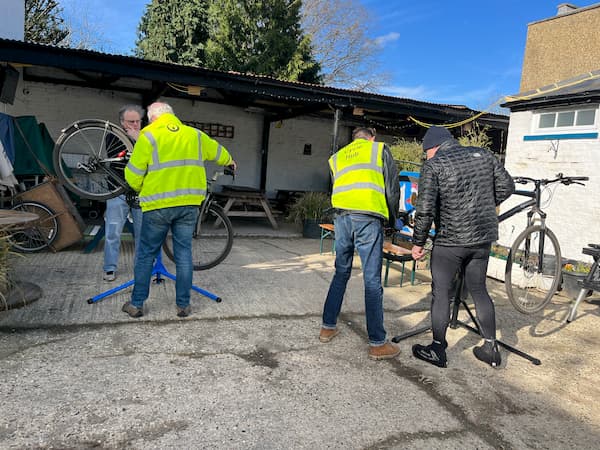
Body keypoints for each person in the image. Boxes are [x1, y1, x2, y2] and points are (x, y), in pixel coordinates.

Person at [410, 126, 515, 368]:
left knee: (441, 292)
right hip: (482, 238)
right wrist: (484, 204)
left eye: (426, 152)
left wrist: (418, 243)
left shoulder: (434, 165)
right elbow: (507, 187)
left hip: (450, 239)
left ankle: (438, 349)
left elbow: (425, 209)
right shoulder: (484, 155)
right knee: (479, 289)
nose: (426, 156)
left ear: (432, 147)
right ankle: (490, 347)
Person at [122, 102, 236, 318]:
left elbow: (134, 174)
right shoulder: (195, 135)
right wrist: (230, 161)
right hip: (188, 206)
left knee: (146, 255)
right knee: (183, 255)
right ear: (172, 116)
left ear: (152, 118)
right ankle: (183, 305)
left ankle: (137, 304)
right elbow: (219, 152)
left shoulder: (148, 135)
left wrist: (139, 188)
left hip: (158, 206)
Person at [320, 127, 401, 360]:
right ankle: (377, 343)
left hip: (342, 218)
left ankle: (327, 327)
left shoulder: (338, 157)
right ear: (372, 138)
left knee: (341, 272)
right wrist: (393, 221)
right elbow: (391, 188)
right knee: (372, 280)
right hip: (367, 217)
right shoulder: (379, 150)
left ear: (354, 140)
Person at [102, 105, 145, 282]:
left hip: (140, 191)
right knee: (113, 231)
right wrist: (134, 140)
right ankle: (109, 268)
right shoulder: (113, 136)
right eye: (130, 122)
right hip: (117, 189)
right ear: (122, 122)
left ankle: (141, 269)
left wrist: (139, 140)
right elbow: (121, 158)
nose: (135, 125)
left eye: (138, 121)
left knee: (143, 233)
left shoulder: (146, 138)